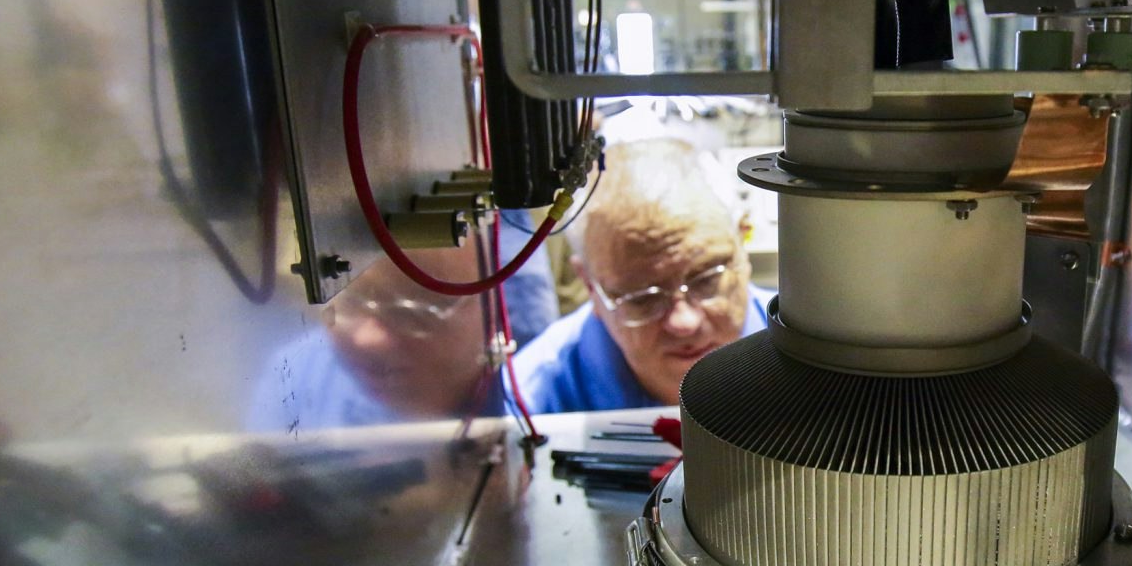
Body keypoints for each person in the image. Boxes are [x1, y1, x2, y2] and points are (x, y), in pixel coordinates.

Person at [514, 139, 770, 413]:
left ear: (742, 246)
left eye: (707, 279)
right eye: (642, 298)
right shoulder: (528, 405)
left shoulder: (806, 352)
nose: (684, 322)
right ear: (590, 286)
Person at [247, 222, 556, 434]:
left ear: (490, 304)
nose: (368, 339)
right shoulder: (297, 382)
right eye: (351, 302)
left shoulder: (546, 394)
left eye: (411, 313)